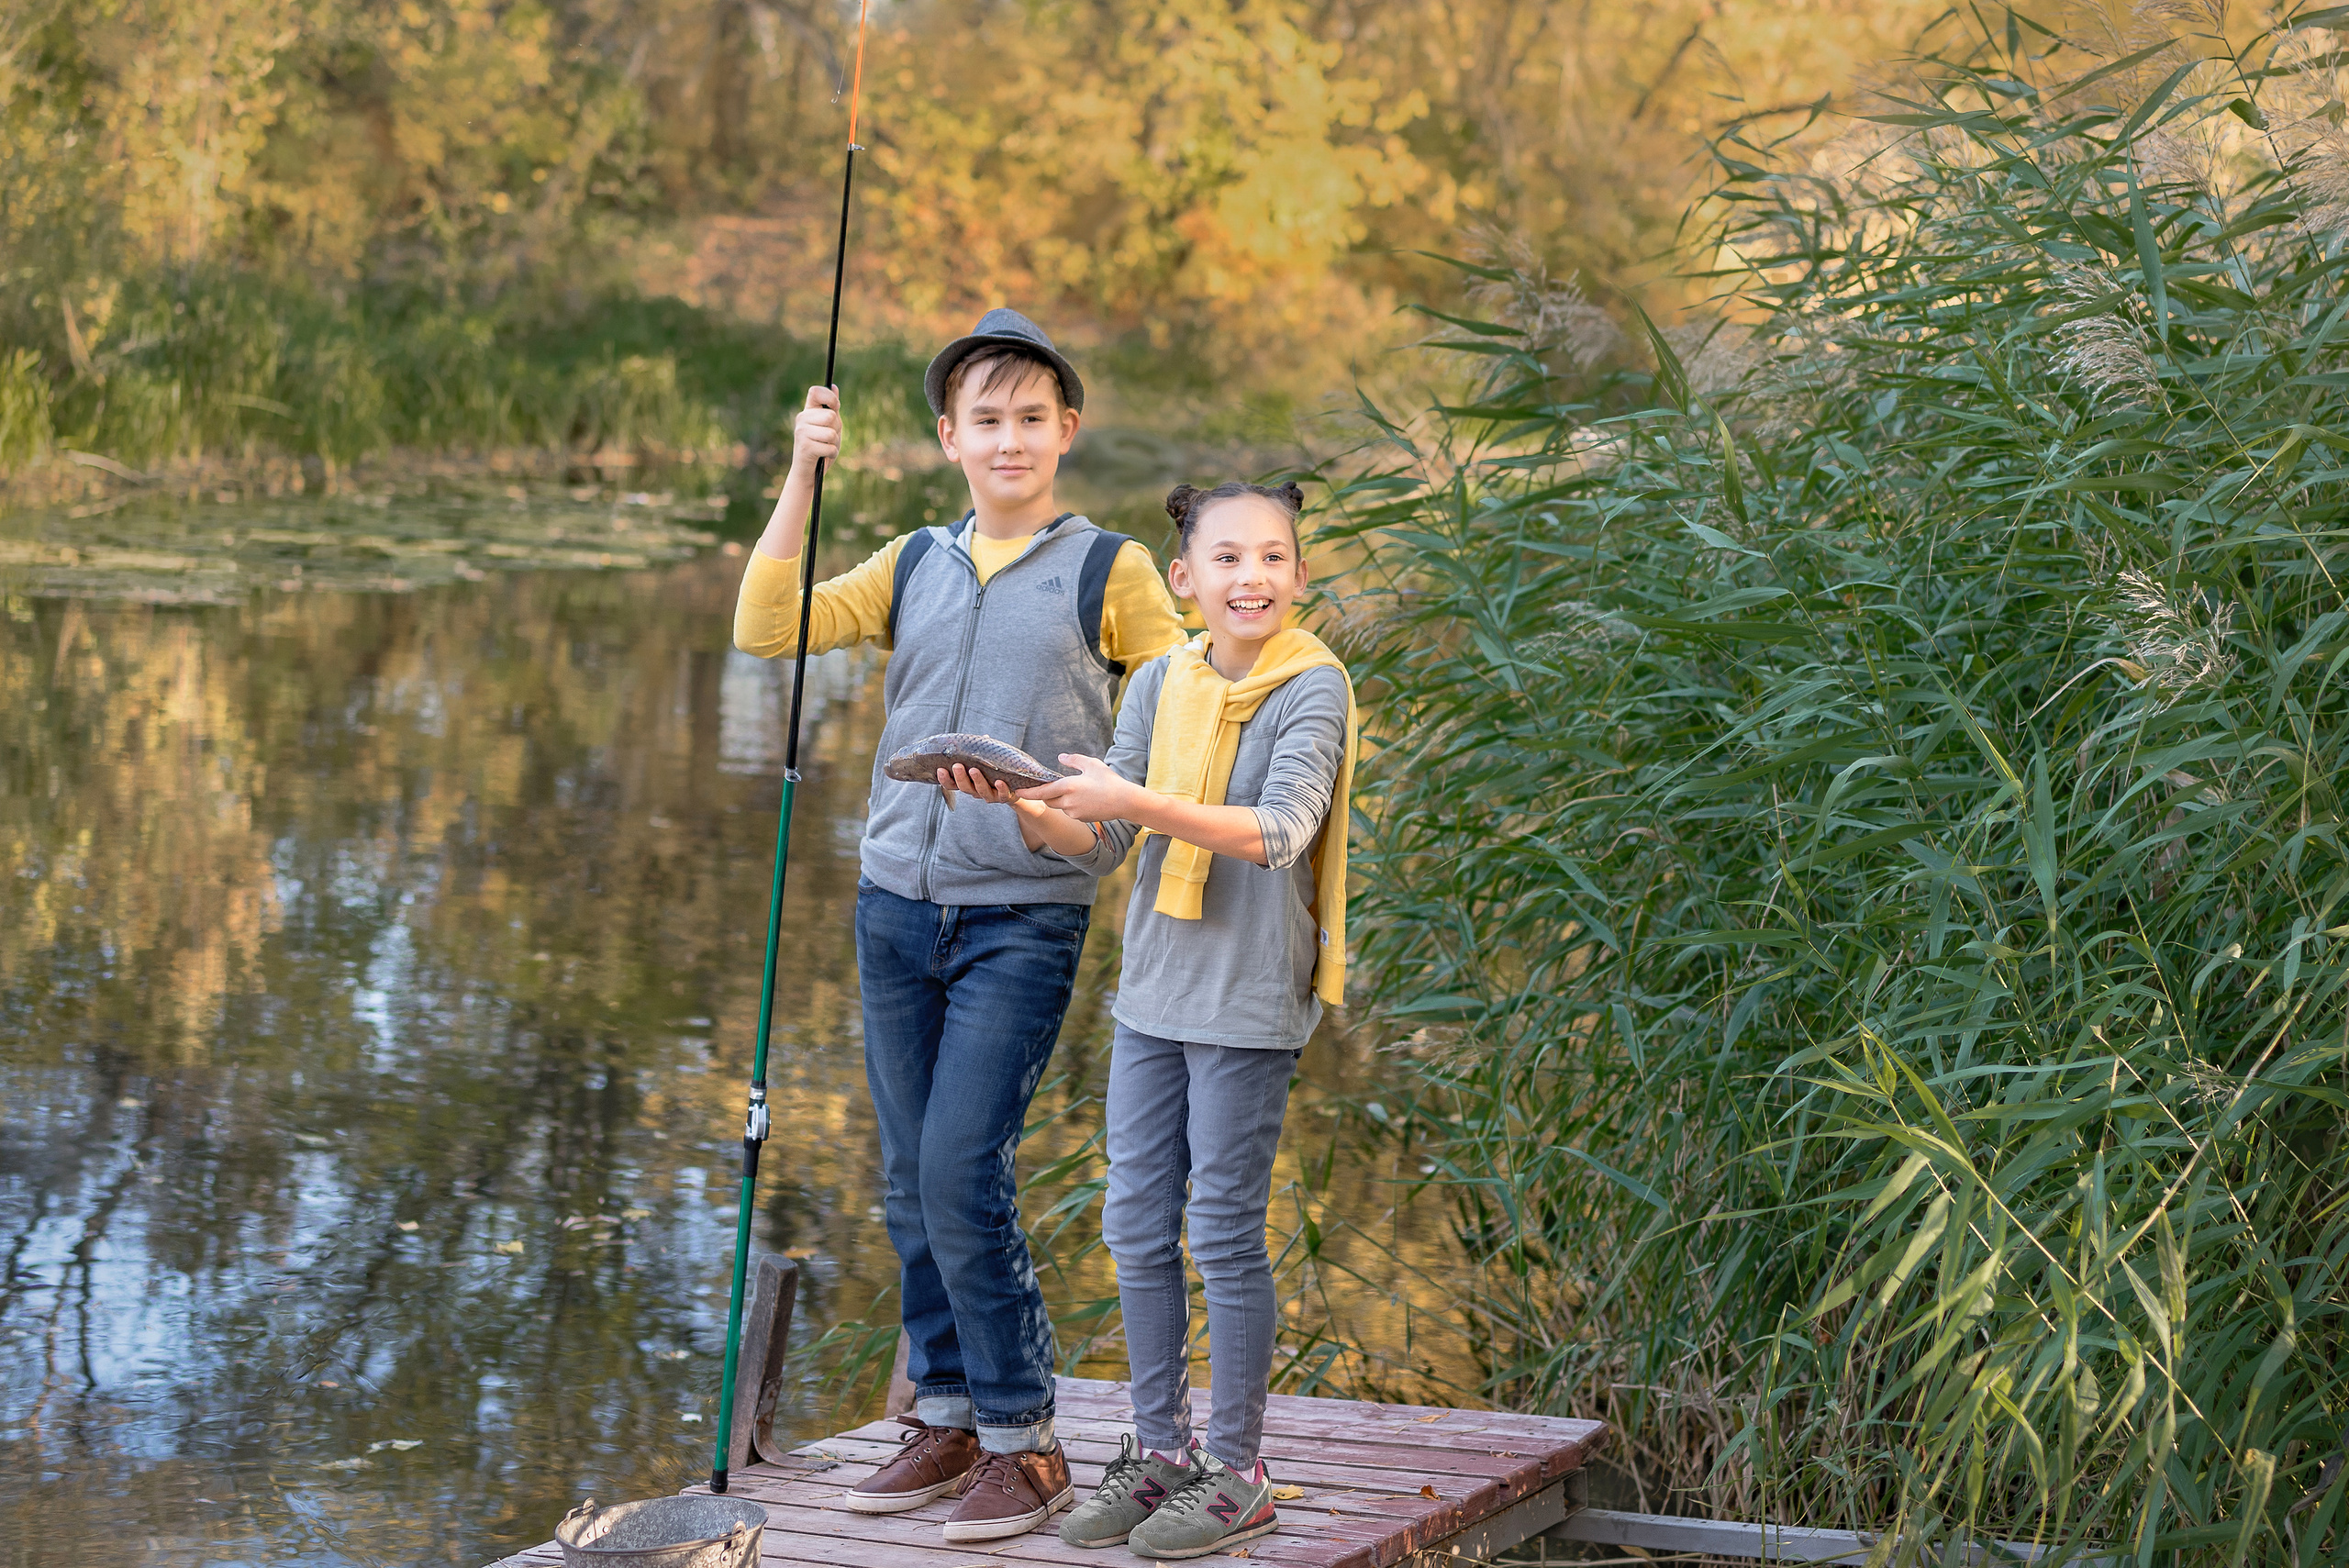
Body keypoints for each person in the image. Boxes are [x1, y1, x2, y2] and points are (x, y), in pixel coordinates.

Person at [731, 308, 1186, 1544]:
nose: (1010, 439)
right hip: (894, 908)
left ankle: (1022, 1440)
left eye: (1032, 418)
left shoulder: (1114, 570)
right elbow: (766, 629)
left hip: (1021, 918)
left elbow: (1180, 713)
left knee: (958, 1167)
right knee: (903, 1178)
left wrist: (1074, 817)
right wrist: (802, 469)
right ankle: (941, 1412)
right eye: (986, 419)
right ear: (948, 436)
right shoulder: (912, 559)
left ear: (1067, 432)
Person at [941, 478, 1356, 1561]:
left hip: (1249, 997)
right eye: (1226, 558)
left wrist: (1131, 802)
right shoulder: (1163, 681)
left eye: (1272, 557)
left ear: (1299, 577)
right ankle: (1162, 1451)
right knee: (1135, 1224)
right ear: (1185, 579)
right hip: (1155, 991)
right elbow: (1106, 838)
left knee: (1221, 1230)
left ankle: (1239, 1468)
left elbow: (1278, 829)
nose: (1250, 576)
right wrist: (1026, 803)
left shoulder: (1313, 685)